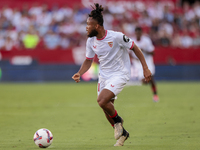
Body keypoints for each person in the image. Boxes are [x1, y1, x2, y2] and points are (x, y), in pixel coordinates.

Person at [72, 3, 152, 146]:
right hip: (104, 76)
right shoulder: (91, 41)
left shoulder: (116, 37)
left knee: (101, 101)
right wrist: (79, 73)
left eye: (88, 25)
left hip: (120, 74)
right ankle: (124, 134)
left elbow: (135, 48)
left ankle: (118, 121)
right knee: (106, 108)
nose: (86, 27)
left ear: (97, 26)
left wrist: (145, 68)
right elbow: (88, 60)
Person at [129, 27, 159, 102]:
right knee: (144, 81)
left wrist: (143, 50)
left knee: (150, 77)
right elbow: (129, 52)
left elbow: (153, 53)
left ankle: (155, 95)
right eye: (136, 33)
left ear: (141, 33)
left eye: (139, 33)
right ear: (135, 33)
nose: (138, 35)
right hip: (138, 63)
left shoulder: (146, 40)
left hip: (147, 61)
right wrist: (133, 58)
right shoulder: (132, 41)